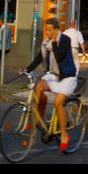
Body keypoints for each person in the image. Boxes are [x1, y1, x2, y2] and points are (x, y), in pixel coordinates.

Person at [24, 17, 78, 154]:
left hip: (67, 77)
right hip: (54, 74)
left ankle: (65, 134)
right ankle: (38, 119)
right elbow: (39, 58)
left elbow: (59, 56)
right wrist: (27, 69)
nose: (47, 33)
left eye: (50, 30)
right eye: (46, 30)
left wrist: (54, 41)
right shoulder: (46, 43)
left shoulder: (65, 40)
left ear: (56, 30)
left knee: (58, 103)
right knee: (38, 87)